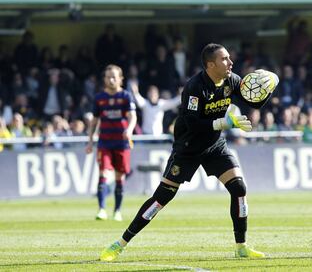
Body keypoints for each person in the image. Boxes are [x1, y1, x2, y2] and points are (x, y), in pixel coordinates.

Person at [99, 43, 278, 261]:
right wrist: (224, 122)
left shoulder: (232, 79)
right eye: (224, 59)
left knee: (239, 188)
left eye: (229, 58)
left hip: (214, 146)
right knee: (161, 199)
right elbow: (193, 124)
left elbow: (254, 102)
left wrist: (268, 87)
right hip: (188, 147)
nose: (230, 62)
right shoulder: (194, 87)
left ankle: (241, 246)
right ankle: (120, 243)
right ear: (210, 65)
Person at [86, 65, 137, 222]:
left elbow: (132, 117)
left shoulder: (126, 96)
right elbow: (94, 121)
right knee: (103, 174)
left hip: (121, 143)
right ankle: (101, 209)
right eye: (108, 77)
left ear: (121, 79)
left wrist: (129, 130)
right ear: (104, 79)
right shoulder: (99, 98)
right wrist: (90, 141)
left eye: (114, 76)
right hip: (105, 143)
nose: (111, 79)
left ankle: (117, 211)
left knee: (119, 177)